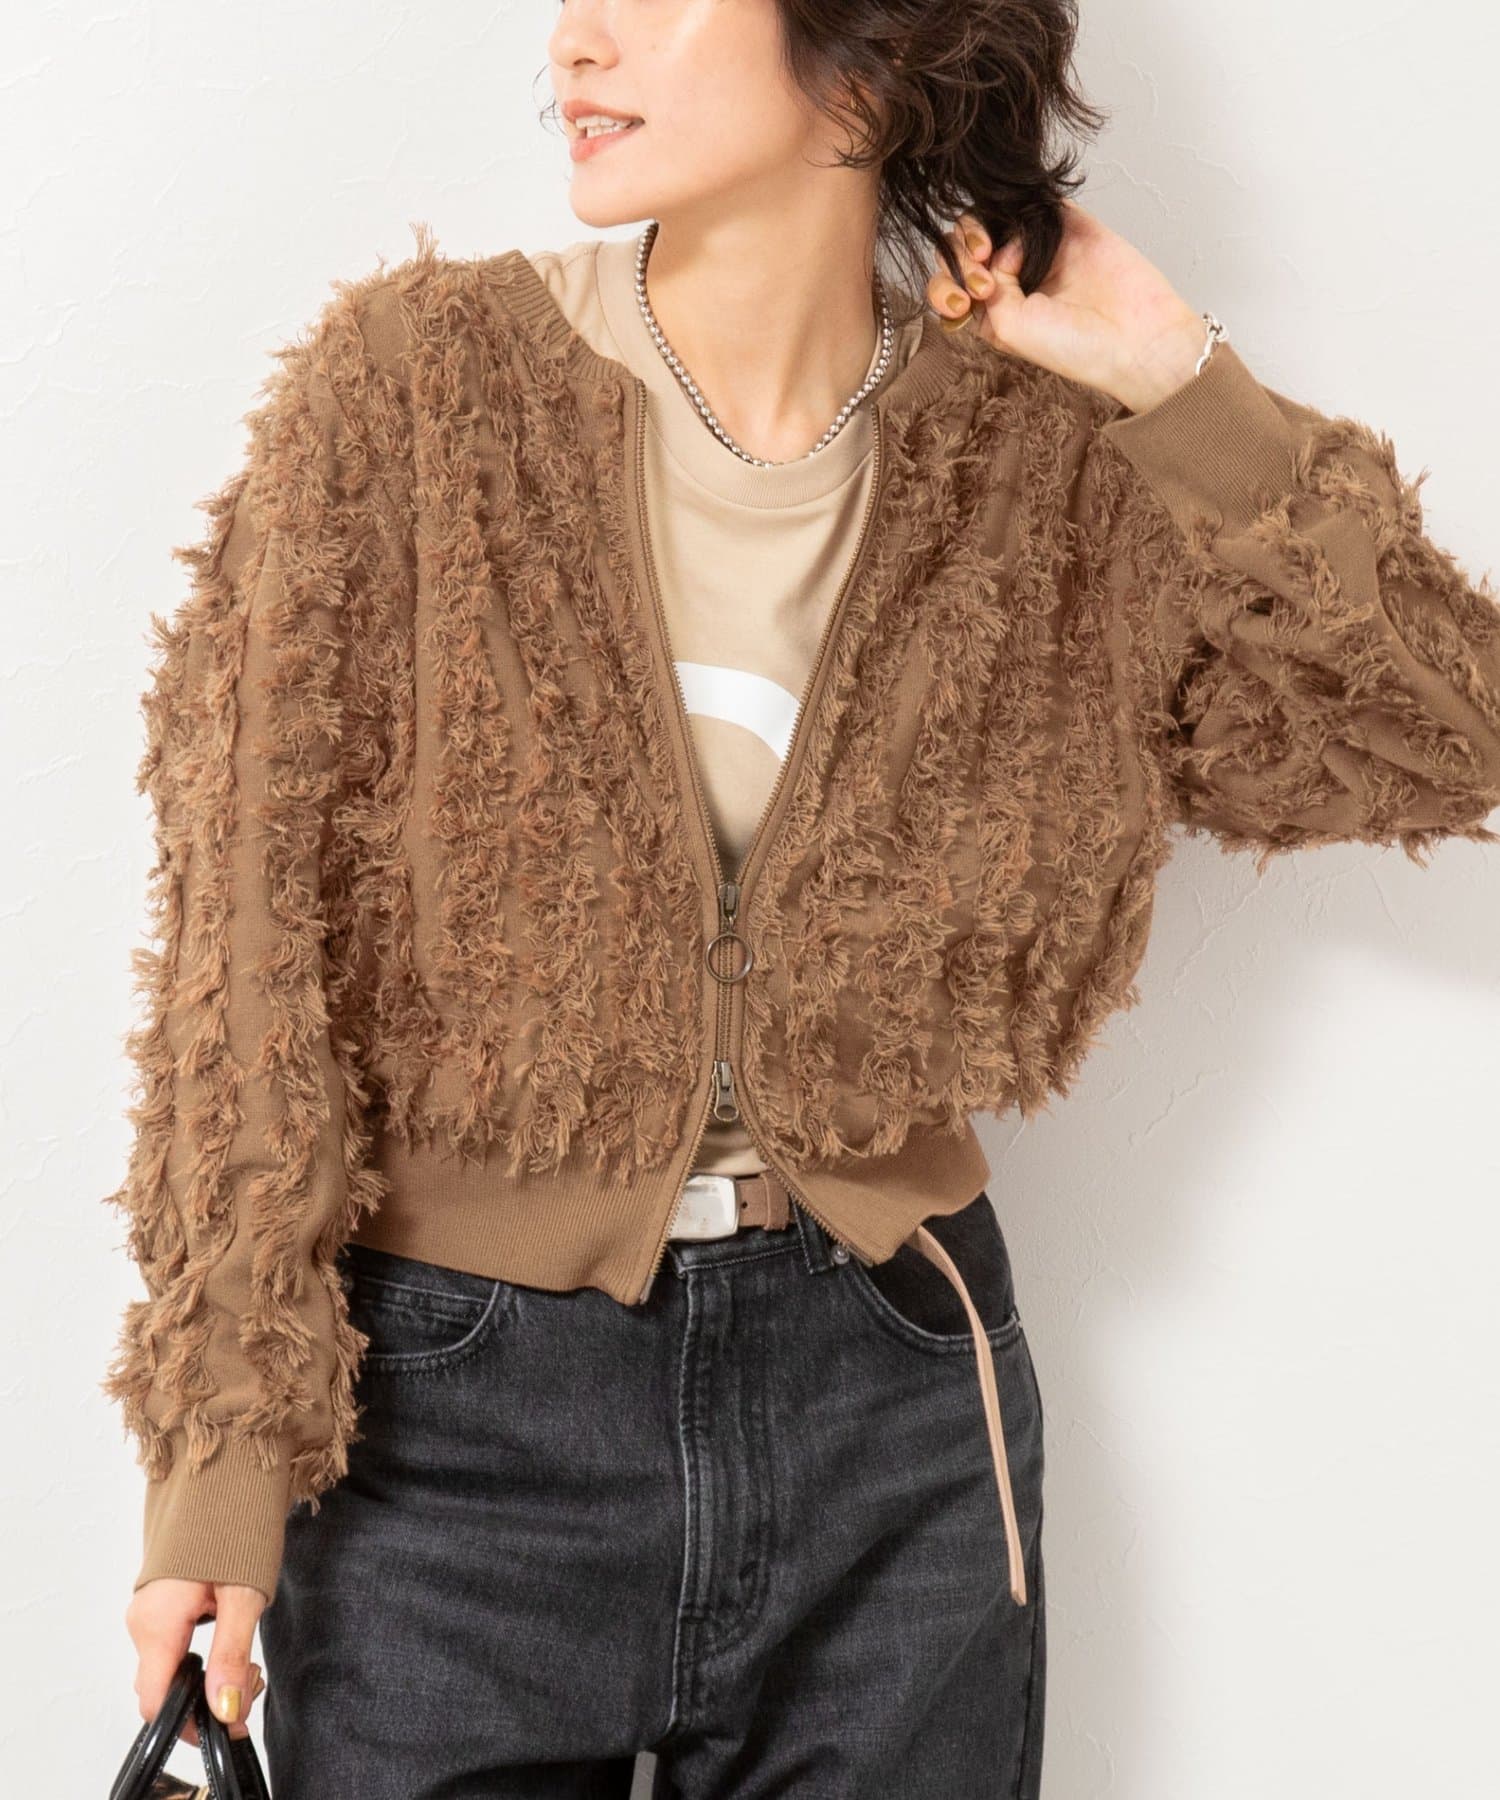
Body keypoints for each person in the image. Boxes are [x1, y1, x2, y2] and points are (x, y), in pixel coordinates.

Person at [106, 2, 1500, 1795]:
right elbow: (242, 956)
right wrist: (219, 1459)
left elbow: (1443, 739)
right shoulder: (416, 398)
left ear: (870, 50)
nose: (577, 38)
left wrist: (1177, 383)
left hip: (893, 1410)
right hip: (448, 1429)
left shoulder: (1044, 473)